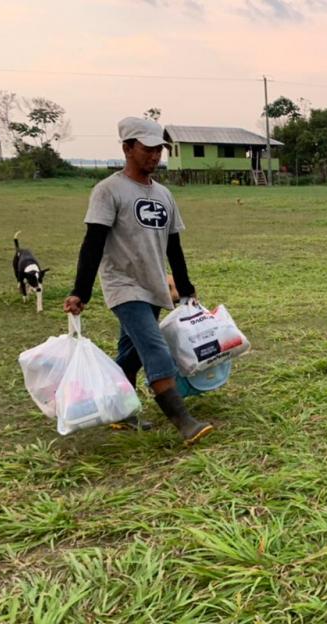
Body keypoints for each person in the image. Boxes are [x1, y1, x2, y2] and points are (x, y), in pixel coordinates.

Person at [63, 116, 213, 444]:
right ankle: (184, 422)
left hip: (153, 284)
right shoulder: (108, 191)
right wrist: (81, 291)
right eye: (147, 149)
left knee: (131, 353)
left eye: (159, 149)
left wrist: (185, 289)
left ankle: (116, 410)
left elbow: (174, 245)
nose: (155, 155)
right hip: (123, 285)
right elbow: (93, 243)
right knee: (156, 349)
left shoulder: (164, 195)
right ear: (127, 148)